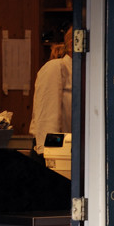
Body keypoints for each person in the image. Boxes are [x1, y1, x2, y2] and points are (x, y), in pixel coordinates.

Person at [29, 27, 73, 155]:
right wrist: (49, 155)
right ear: (72, 45)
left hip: (69, 149)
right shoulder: (56, 68)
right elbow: (47, 118)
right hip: (51, 151)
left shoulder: (83, 74)